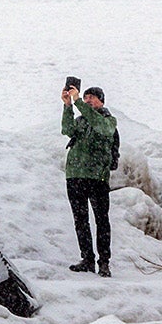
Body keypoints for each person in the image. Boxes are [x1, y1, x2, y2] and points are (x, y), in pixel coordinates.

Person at [62, 80, 117, 277]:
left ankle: (104, 262)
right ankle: (87, 259)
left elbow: (100, 126)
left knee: (101, 221)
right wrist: (68, 105)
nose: (87, 100)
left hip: (97, 178)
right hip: (75, 176)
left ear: (101, 101)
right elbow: (67, 130)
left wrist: (78, 103)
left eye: (91, 98)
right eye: (85, 97)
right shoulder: (81, 121)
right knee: (81, 221)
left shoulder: (109, 121)